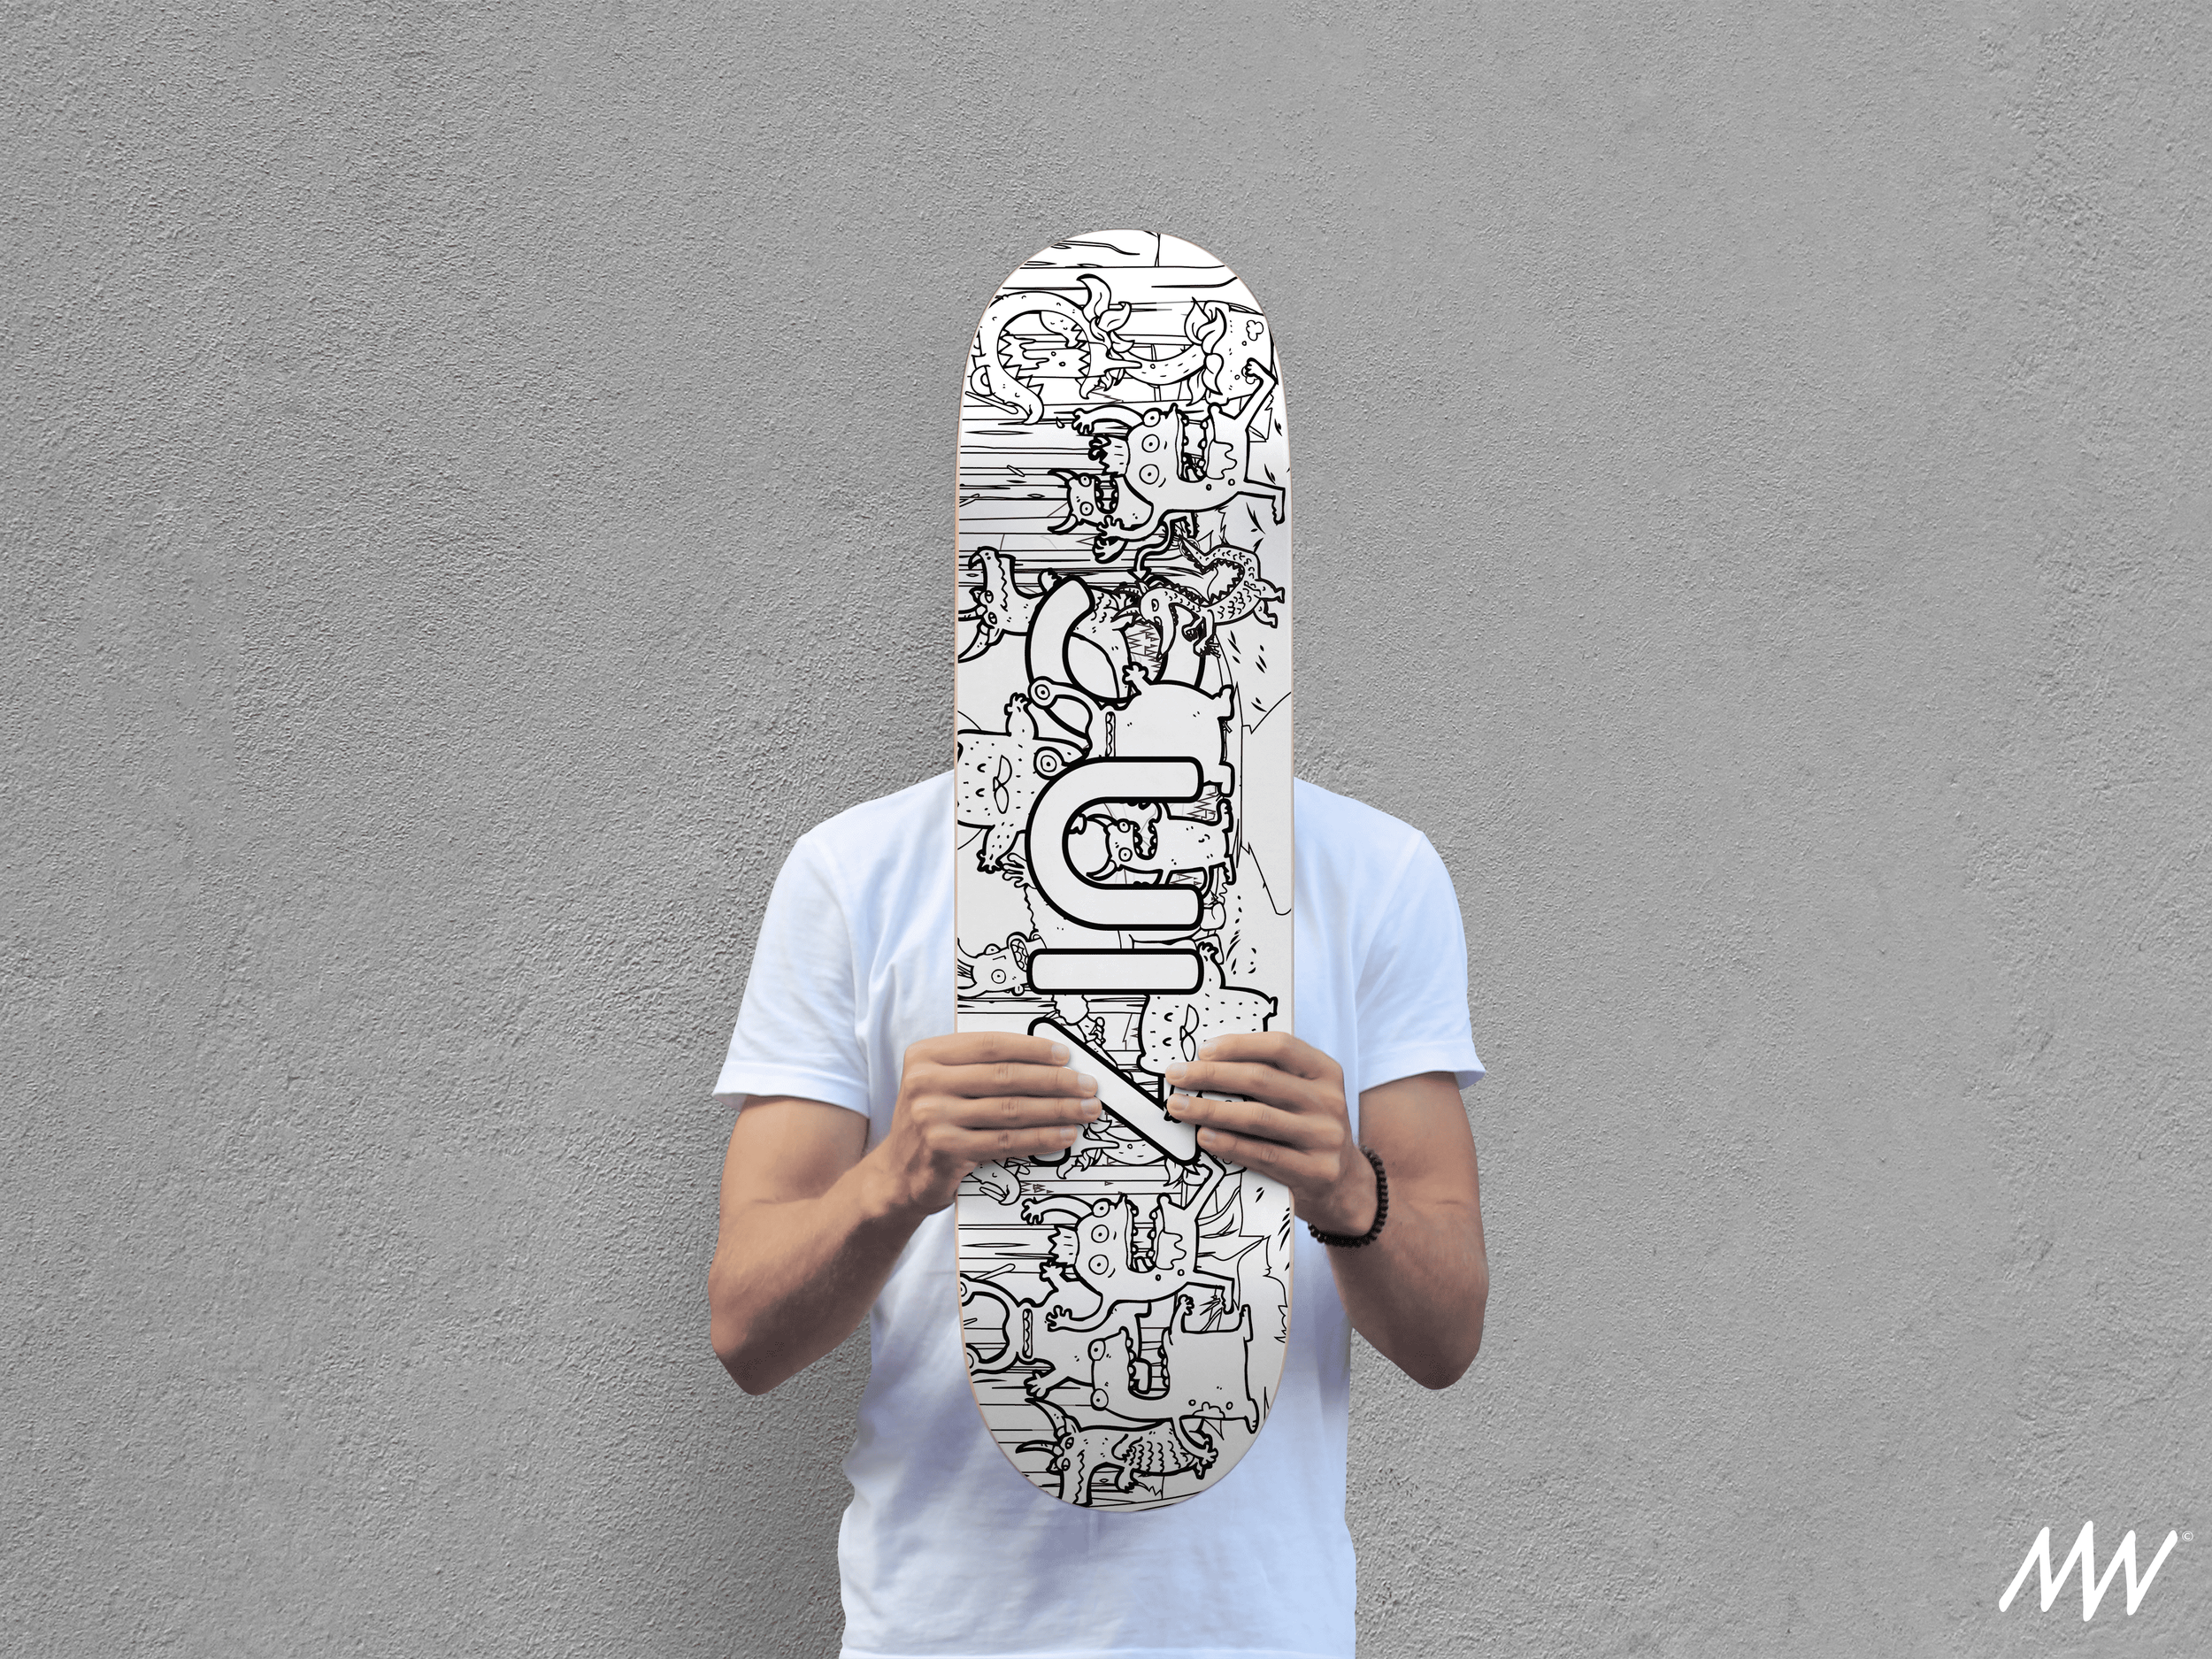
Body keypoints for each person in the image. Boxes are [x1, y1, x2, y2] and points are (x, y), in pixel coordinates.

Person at [708, 768, 1489, 1659]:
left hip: (1254, 1630)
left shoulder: (1375, 872)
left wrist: (1346, 1189)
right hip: (943, 1629)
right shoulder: (855, 870)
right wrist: (891, 1181)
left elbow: (1447, 1336)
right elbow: (745, 1331)